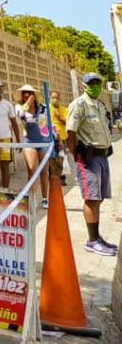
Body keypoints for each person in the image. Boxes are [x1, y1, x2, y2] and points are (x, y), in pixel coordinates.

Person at [66, 72, 117, 256]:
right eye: (92, 83)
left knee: (99, 198)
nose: (95, 86)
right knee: (91, 198)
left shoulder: (100, 106)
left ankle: (97, 236)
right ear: (84, 85)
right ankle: (92, 241)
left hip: (102, 156)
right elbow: (70, 132)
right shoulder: (78, 105)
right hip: (88, 158)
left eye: (98, 82)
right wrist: (75, 154)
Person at [14, 85, 51, 207]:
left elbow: (48, 124)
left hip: (43, 140)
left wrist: (56, 139)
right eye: (24, 93)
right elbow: (19, 115)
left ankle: (45, 198)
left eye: (29, 93)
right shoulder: (19, 107)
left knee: (44, 172)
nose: (26, 95)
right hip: (29, 141)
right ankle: (33, 197)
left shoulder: (43, 108)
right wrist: (27, 104)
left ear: (34, 95)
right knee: (31, 169)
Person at [49, 90, 70, 185]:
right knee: (52, 158)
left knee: (61, 157)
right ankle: (53, 177)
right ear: (50, 99)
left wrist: (59, 117)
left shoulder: (64, 109)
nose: (55, 100)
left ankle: (62, 178)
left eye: (57, 98)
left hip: (62, 137)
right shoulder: (47, 108)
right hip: (51, 137)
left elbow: (68, 122)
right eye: (53, 98)